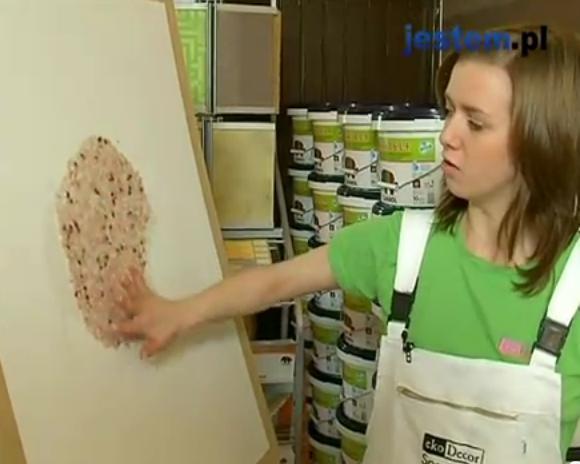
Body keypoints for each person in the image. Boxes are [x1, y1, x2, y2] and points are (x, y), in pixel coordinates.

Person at [115, 25, 580, 463]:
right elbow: (274, 283)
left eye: (475, 123)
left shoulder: (572, 285)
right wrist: (178, 312)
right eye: (449, 110)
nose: (447, 136)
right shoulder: (403, 249)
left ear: (541, 142)